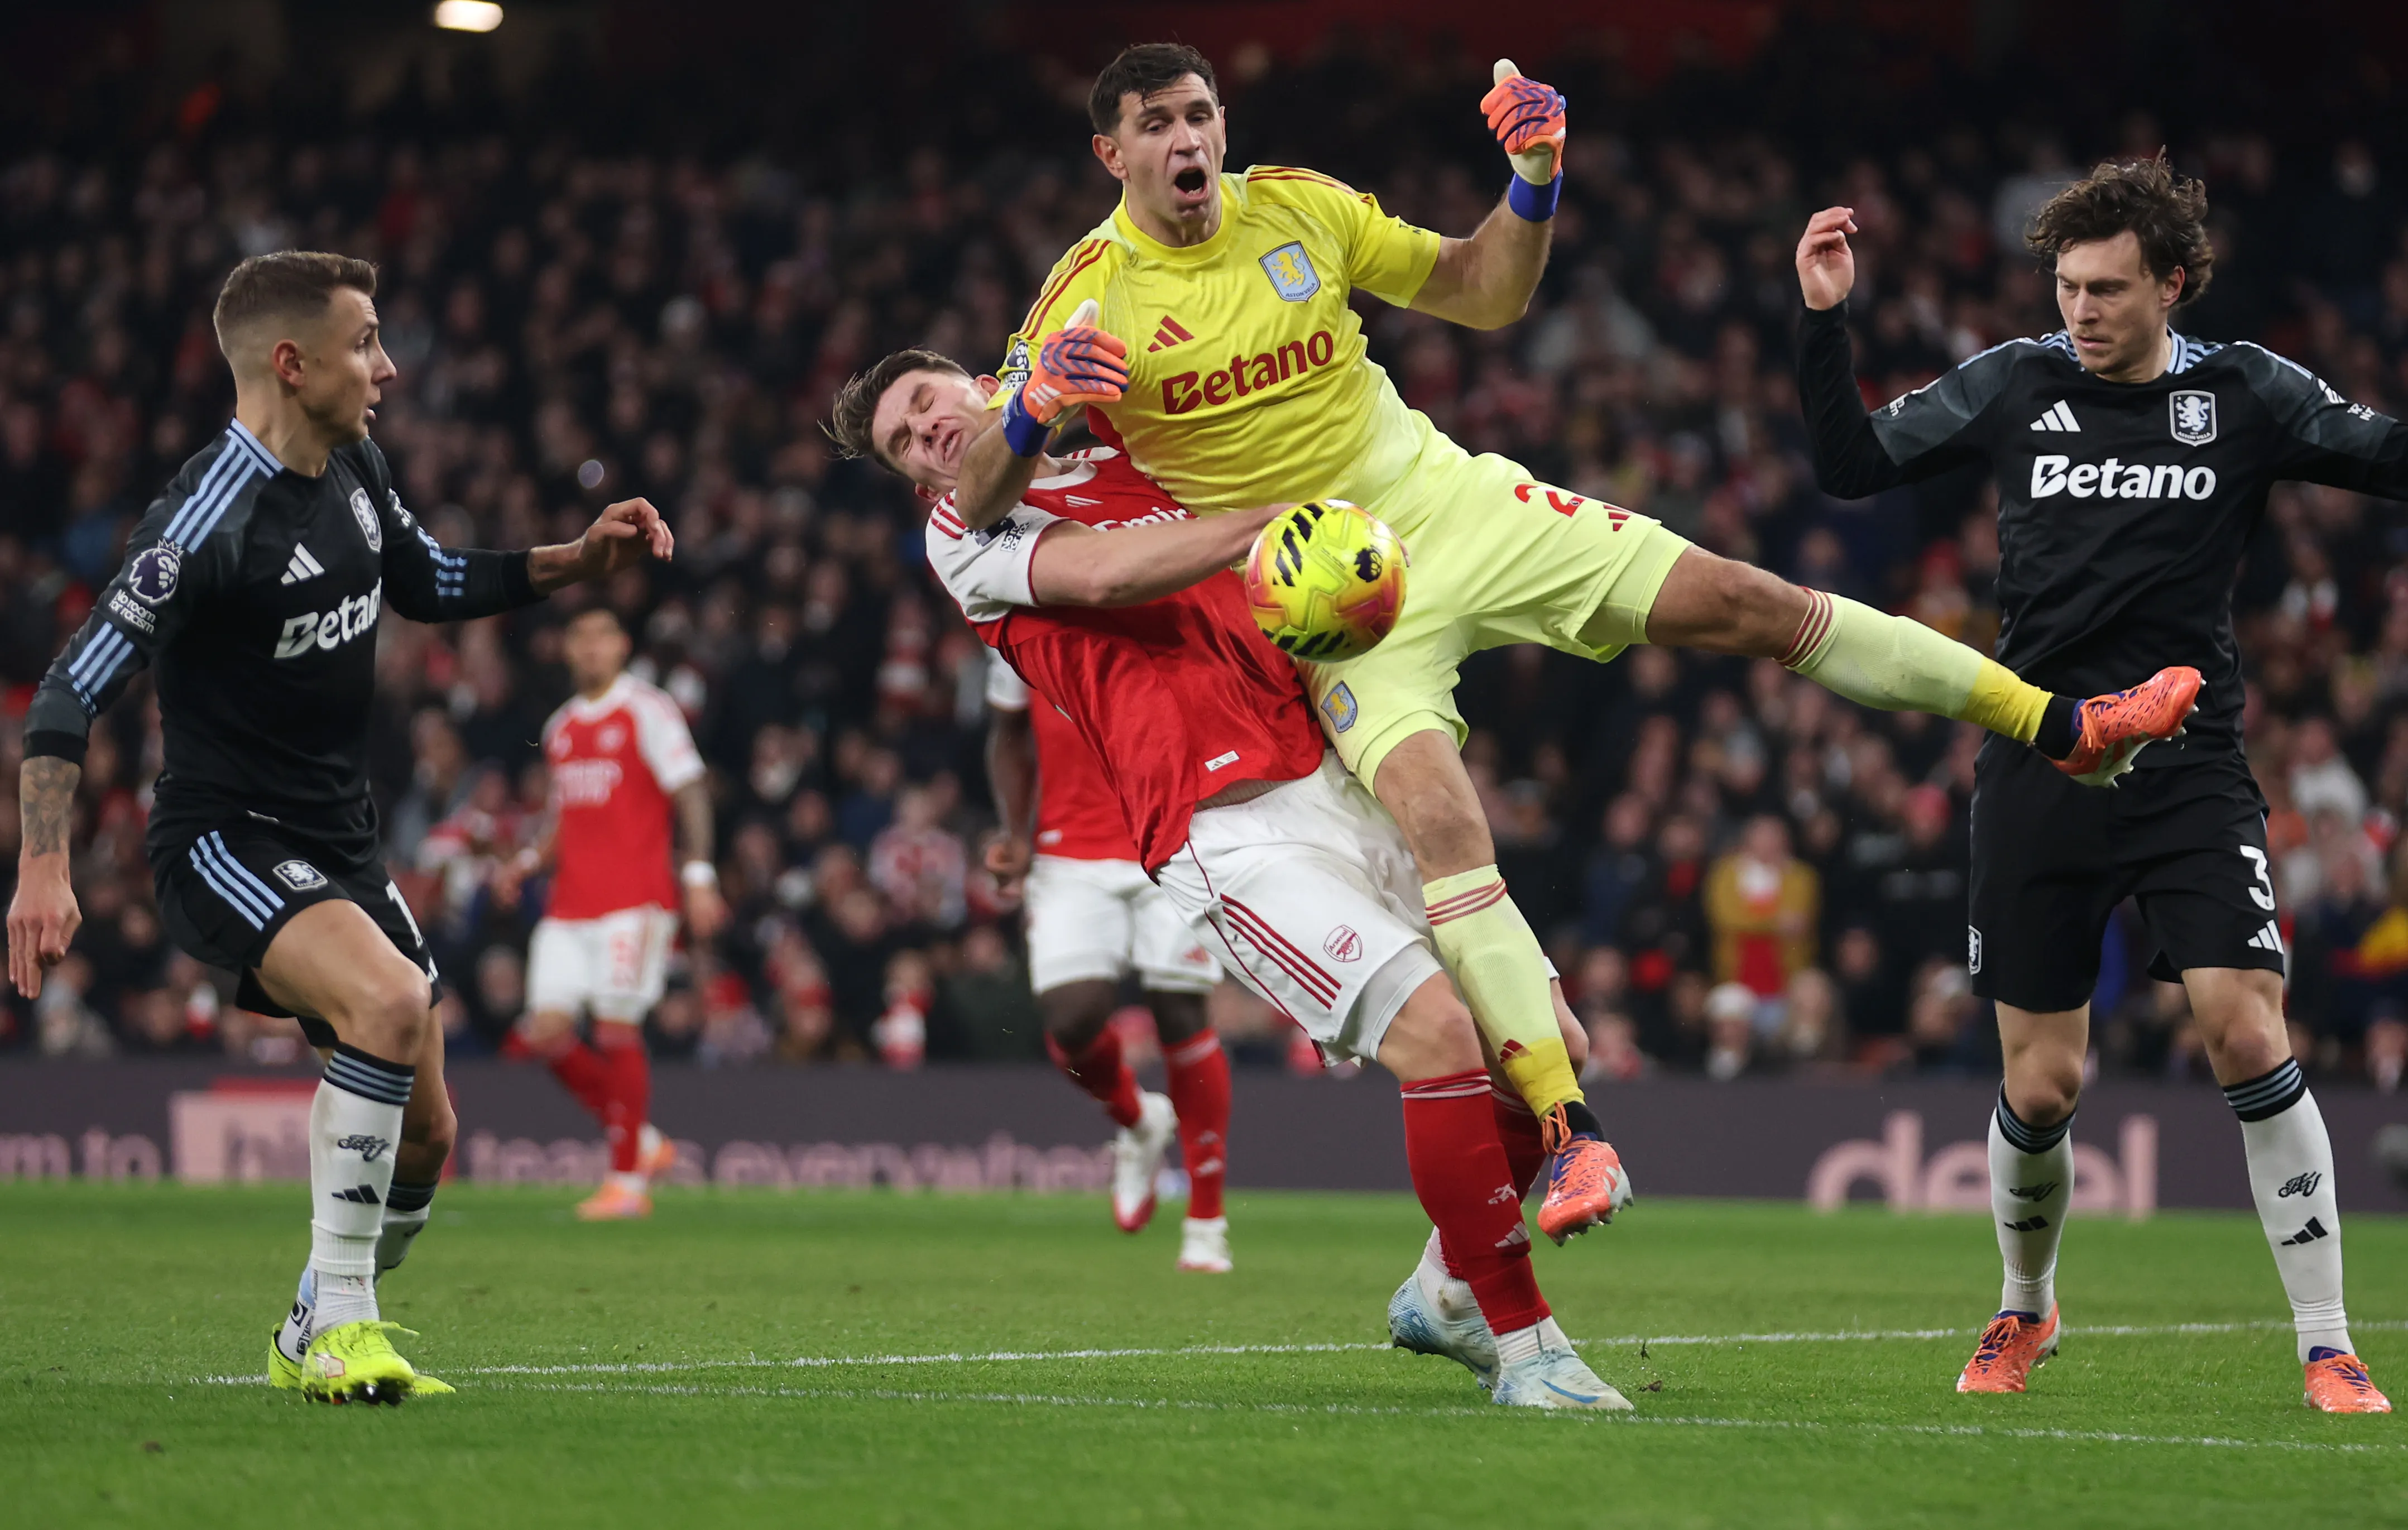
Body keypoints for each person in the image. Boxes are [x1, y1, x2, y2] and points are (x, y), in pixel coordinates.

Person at [939, 42, 2198, 1244]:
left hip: (1446, 501)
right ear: (1112, 153)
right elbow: (980, 497)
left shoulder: (1300, 211)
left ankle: (2063, 725)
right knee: (1441, 819)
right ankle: (1569, 1127)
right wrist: (1037, 406)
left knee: (1748, 600)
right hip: (1330, 605)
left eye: (1201, 114)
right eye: (1157, 124)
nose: (1188, 139)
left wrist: (1531, 180)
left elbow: (1487, 290)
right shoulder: (1084, 296)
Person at [831, 347, 1633, 1409]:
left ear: (975, 378)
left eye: (928, 402)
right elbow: (1114, 575)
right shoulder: (965, 537)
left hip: (1332, 771)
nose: (925, 430)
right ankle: (1528, 1350)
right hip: (1222, 831)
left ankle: (1446, 1288)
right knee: (1437, 1036)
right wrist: (1280, 515)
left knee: (1547, 1052)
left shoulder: (1127, 447)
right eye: (902, 441)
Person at [4, 252, 673, 1403]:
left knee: (430, 1135)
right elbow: (70, 689)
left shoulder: (354, 461)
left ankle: (311, 1313)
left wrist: (577, 559)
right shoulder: (207, 515)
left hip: (340, 842)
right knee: (390, 1000)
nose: (389, 366)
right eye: (366, 342)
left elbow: (426, 576)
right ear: (290, 362)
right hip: (226, 836)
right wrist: (44, 864)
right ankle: (344, 1329)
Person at [1794, 155, 2393, 1413]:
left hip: (2189, 768)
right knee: (2043, 1081)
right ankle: (2025, 1304)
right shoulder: (2018, 381)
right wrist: (1824, 318)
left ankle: (2328, 1338)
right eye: (2068, 287)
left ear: (2172, 283)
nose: (2082, 312)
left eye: (2110, 290)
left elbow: (2386, 453)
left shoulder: (2246, 392)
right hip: (2039, 755)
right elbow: (1850, 464)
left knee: (2245, 1024)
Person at [984, 651, 1235, 1272]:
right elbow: (1008, 731)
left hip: (1175, 835)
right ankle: (1137, 1116)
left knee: (1180, 1009)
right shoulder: (1019, 608)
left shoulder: (1167, 589)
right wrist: (1015, 833)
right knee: (1072, 1020)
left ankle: (1207, 1219)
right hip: (1067, 854)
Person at [498, 606, 725, 1221]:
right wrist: (526, 860)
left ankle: (626, 1180)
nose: (592, 648)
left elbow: (691, 787)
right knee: (543, 1031)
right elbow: (561, 816)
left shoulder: (646, 708)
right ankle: (643, 1142)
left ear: (621, 645)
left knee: (616, 1027)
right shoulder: (562, 727)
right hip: (570, 902)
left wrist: (699, 873)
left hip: (636, 900)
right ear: (568, 649)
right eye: (581, 637)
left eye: (603, 636)